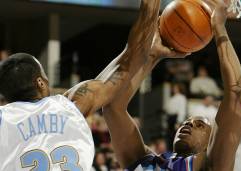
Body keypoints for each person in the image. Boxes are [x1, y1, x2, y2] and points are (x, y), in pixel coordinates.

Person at [0, 0, 162, 170]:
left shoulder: (3, 119)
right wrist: (150, 7)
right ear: (40, 82)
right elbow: (129, 60)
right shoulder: (69, 106)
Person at [102, 0, 241, 170]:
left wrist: (219, 28)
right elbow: (112, 106)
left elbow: (235, 91)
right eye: (188, 121)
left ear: (211, 143)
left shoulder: (210, 165)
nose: (189, 124)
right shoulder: (146, 161)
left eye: (200, 125)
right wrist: (153, 56)